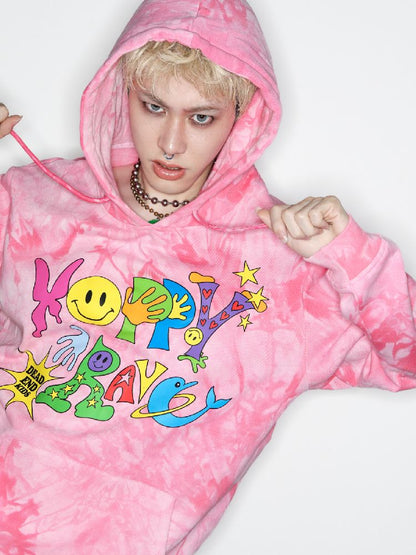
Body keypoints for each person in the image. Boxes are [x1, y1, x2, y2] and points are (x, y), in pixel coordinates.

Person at [0, 0, 415, 553]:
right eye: (153, 107)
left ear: (242, 117)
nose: (171, 143)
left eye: (201, 118)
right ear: (122, 94)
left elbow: (408, 361)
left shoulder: (281, 266)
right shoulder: (31, 201)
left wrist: (352, 256)